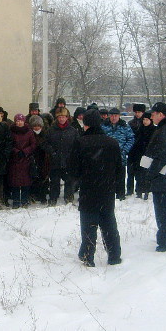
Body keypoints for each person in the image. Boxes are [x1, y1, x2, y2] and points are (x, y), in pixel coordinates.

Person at [68, 109, 123, 267]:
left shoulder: (80, 142)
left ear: (85, 125)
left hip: (88, 190)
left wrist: (77, 181)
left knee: (89, 226)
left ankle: (87, 256)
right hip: (107, 190)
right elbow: (120, 168)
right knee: (109, 223)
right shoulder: (112, 142)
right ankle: (114, 255)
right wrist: (119, 188)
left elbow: (73, 169)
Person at [142, 102, 166, 252]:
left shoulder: (165, 131)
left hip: (163, 176)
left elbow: (161, 157)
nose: (151, 116)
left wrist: (150, 174)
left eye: (153, 114)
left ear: (161, 115)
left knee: (162, 210)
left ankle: (163, 242)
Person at [43, 107, 79, 205]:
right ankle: (53, 198)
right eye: (59, 117)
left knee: (69, 181)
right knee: (54, 181)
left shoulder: (72, 131)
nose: (61, 119)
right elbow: (45, 143)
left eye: (63, 117)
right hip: (55, 160)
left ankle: (68, 198)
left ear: (67, 118)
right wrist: (52, 152)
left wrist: (72, 155)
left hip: (68, 161)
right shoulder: (51, 130)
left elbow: (77, 145)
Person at [102, 108, 134, 200]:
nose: (114, 117)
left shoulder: (125, 126)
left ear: (119, 116)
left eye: (115, 115)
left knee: (120, 176)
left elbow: (131, 139)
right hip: (107, 157)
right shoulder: (103, 126)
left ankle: (120, 195)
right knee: (107, 177)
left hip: (121, 156)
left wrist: (125, 150)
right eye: (112, 115)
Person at [8, 114, 37, 208]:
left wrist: (25, 152)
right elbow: (9, 143)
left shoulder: (29, 132)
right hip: (15, 160)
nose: (19, 122)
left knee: (26, 182)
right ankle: (16, 201)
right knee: (15, 182)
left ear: (24, 121)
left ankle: (24, 201)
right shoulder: (11, 131)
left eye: (20, 121)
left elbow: (33, 144)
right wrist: (16, 151)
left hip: (26, 160)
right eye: (17, 121)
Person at [130, 110, 156, 199]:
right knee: (139, 174)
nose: (145, 121)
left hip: (148, 155)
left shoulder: (154, 130)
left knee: (146, 173)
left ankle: (147, 190)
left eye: (147, 120)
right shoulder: (140, 129)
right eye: (144, 119)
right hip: (138, 154)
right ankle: (139, 190)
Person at [28, 115, 50, 204]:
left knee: (44, 178)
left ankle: (43, 196)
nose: (37, 128)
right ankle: (33, 195)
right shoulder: (29, 134)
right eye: (35, 126)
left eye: (39, 126)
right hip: (33, 158)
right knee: (33, 178)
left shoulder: (45, 134)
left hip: (43, 159)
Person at [127, 103, 146, 196]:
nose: (137, 114)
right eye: (136, 112)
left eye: (139, 112)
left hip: (141, 151)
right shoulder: (131, 123)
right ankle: (129, 190)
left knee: (140, 173)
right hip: (132, 150)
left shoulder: (146, 123)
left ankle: (139, 190)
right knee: (130, 172)